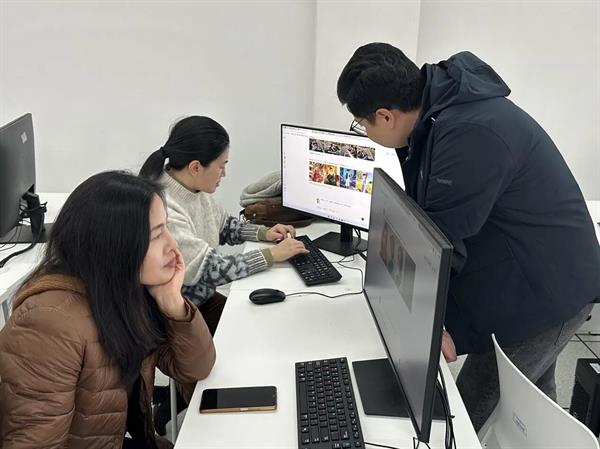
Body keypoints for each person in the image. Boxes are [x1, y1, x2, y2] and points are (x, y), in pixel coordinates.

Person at [337, 42, 600, 431]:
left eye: (362, 124)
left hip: (546, 288)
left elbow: (440, 241)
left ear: (385, 116)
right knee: (532, 410)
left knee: (471, 413)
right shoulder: (437, 114)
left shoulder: (469, 134)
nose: (365, 131)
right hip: (528, 269)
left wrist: (434, 325)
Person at [0, 171, 216, 449]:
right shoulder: (49, 324)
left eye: (167, 229)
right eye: (156, 235)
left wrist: (173, 303)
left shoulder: (129, 293)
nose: (173, 246)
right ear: (114, 246)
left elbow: (197, 368)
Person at [139, 116, 308, 336]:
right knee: (250, 333)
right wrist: (272, 255)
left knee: (258, 323)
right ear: (196, 167)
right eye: (221, 166)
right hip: (178, 314)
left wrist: (265, 232)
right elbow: (211, 270)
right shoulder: (165, 208)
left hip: (201, 299)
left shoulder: (193, 188)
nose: (224, 174)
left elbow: (225, 226)